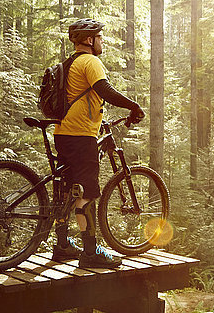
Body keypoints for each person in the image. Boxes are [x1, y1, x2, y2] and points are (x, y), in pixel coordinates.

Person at [52, 18, 145, 268]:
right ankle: (90, 253)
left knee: (67, 188)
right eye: (100, 37)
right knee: (86, 193)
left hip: (63, 133)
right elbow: (105, 90)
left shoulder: (70, 63)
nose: (102, 41)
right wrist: (133, 105)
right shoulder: (90, 61)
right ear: (89, 40)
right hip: (81, 136)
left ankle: (62, 246)